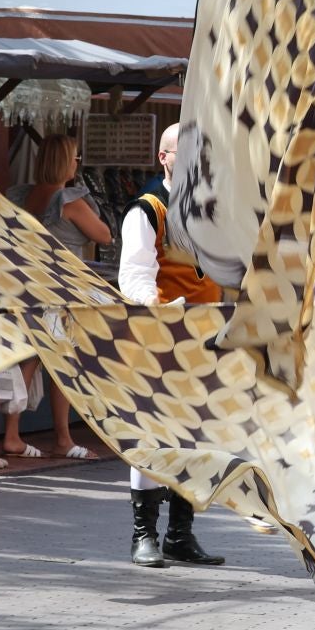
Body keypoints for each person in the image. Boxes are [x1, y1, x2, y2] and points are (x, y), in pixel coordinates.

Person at [116, 123, 228, 570]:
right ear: (164, 158)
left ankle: (181, 534)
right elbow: (134, 274)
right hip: (163, 339)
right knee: (154, 435)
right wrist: (157, 308)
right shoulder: (148, 210)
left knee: (199, 436)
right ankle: (144, 535)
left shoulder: (218, 212)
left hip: (210, 337)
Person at [5, 133, 112, 461]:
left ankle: (12, 432)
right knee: (62, 363)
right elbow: (104, 236)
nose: (78, 163)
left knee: (28, 360)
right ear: (65, 162)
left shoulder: (23, 196)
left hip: (27, 287)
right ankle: (62, 438)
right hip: (60, 290)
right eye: (75, 157)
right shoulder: (69, 201)